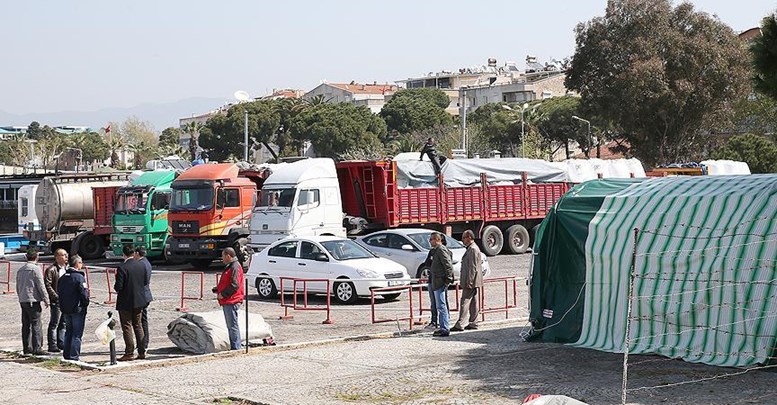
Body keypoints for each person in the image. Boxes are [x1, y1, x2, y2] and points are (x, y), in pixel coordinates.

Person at [114, 245, 150, 361]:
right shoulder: (141, 265)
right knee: (138, 325)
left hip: (126, 300)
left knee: (127, 326)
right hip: (140, 300)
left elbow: (118, 286)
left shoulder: (122, 267)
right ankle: (141, 351)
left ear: (123, 254)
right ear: (133, 253)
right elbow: (145, 281)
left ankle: (129, 352)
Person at [57, 255, 90, 361]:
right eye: (81, 263)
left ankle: (66, 354)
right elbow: (84, 294)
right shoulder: (79, 277)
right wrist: (85, 303)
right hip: (77, 309)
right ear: (77, 264)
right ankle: (74, 356)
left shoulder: (63, 277)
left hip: (66, 308)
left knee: (68, 331)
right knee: (77, 333)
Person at [16, 249, 49, 355]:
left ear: (26, 257)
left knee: (26, 325)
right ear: (37, 257)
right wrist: (46, 299)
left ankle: (27, 348)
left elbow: (18, 286)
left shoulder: (20, 270)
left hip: (23, 299)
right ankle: (37, 347)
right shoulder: (35, 269)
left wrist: (20, 296)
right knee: (36, 323)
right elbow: (41, 285)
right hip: (33, 300)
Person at [451, 230, 484, 332]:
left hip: (471, 280)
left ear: (469, 237)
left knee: (464, 301)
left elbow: (472, 268)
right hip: (472, 280)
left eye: (464, 237)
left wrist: (469, 281)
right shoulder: (470, 248)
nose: (463, 240)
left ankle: (460, 323)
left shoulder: (473, 249)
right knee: (473, 301)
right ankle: (473, 322)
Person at [213, 247, 245, 350]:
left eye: (223, 256)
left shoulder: (234, 267)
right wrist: (218, 289)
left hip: (231, 300)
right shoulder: (231, 266)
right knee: (231, 325)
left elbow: (234, 285)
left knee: (232, 326)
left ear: (228, 256)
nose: (222, 258)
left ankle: (236, 348)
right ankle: (235, 346)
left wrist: (223, 294)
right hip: (229, 299)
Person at [428, 232, 454, 337]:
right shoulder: (436, 251)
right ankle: (442, 326)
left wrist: (448, 279)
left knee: (441, 305)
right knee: (440, 305)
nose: (430, 242)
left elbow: (448, 265)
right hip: (437, 281)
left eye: (431, 239)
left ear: (436, 240)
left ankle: (445, 328)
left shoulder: (441, 250)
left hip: (440, 282)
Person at [44, 248, 68, 352]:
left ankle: (61, 342)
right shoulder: (51, 269)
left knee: (63, 322)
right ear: (57, 257)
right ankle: (52, 344)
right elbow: (48, 285)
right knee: (54, 322)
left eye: (66, 255)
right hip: (57, 300)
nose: (66, 257)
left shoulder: (67, 268)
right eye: (63, 255)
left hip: (66, 300)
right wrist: (55, 297)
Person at [134, 246, 153, 349]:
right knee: (142, 320)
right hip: (145, 294)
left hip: (142, 295)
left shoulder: (141, 264)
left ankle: (143, 342)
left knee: (141, 321)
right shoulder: (146, 262)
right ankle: (143, 342)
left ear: (137, 253)